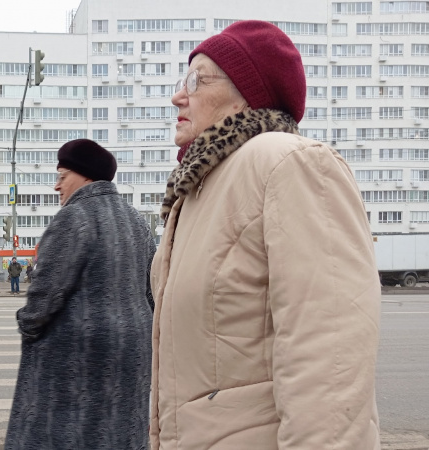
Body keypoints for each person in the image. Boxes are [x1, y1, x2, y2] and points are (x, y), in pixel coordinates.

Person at [150, 21, 380, 450]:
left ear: (247, 94)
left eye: (198, 79)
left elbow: (329, 352)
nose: (178, 95)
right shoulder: (198, 190)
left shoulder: (286, 162)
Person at [5, 139, 155, 450]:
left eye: (62, 176)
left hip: (76, 360)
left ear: (84, 175)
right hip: (132, 351)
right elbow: (153, 289)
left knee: (65, 435)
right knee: (118, 435)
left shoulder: (75, 216)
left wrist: (27, 324)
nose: (56, 186)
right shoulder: (137, 221)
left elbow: (45, 294)